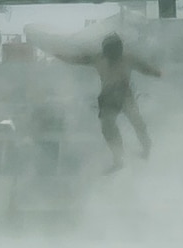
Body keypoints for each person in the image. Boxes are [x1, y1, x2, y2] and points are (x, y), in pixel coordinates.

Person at [46, 31, 162, 172]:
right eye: (110, 52)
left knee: (137, 123)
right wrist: (59, 55)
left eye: (116, 51)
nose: (113, 55)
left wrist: (159, 74)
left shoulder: (127, 58)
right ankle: (119, 158)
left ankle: (146, 149)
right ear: (106, 51)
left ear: (119, 49)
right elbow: (75, 59)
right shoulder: (98, 58)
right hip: (108, 98)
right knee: (108, 127)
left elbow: (146, 68)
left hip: (125, 95)